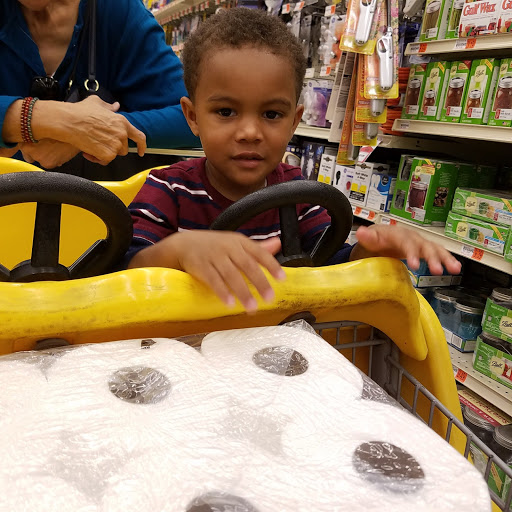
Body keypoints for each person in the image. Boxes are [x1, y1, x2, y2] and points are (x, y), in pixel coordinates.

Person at [126, 8, 461, 312]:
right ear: (193, 116)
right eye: (226, 112)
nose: (250, 132)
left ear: (294, 121)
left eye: (272, 114)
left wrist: (371, 252)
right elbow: (122, 270)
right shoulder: (167, 188)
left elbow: (328, 263)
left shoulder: (298, 195)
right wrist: (180, 250)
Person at [0, 0, 199, 178]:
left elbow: (196, 117)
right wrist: (46, 120)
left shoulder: (117, 10)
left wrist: (95, 129)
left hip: (105, 202)